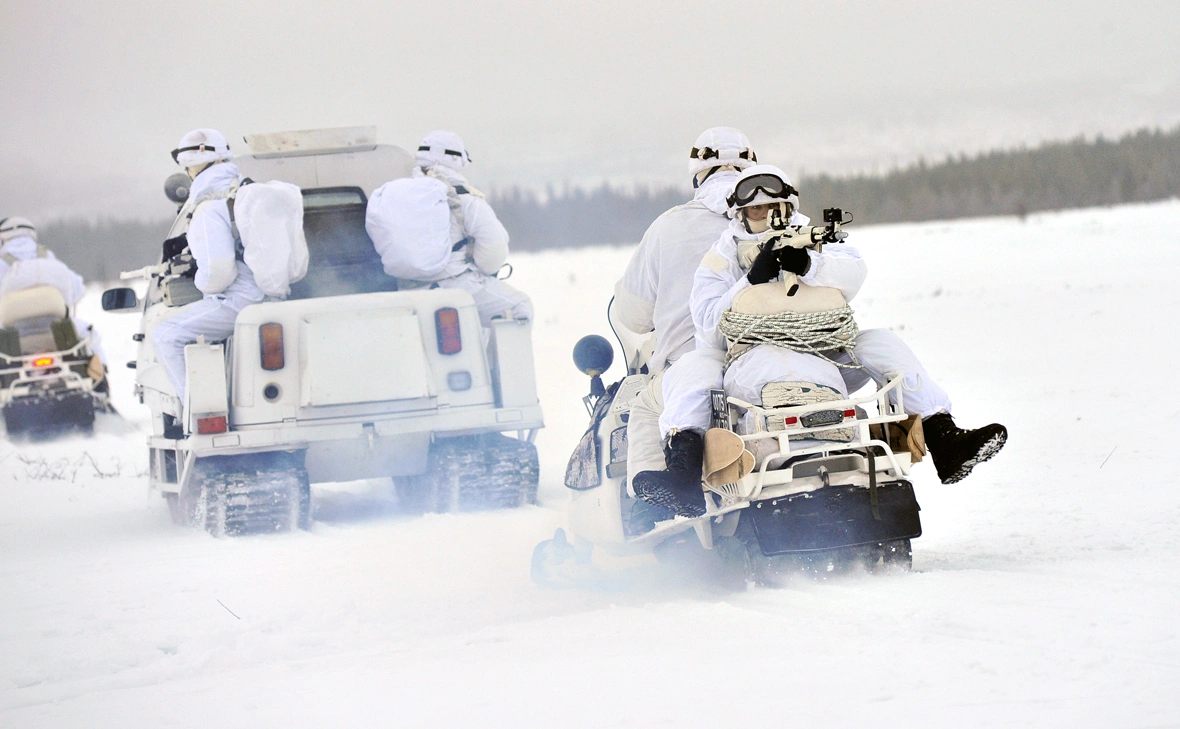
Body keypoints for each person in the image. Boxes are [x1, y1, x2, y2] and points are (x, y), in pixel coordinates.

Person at [687, 165, 1006, 504]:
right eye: (756, 209)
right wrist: (751, 280)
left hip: (824, 355)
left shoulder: (809, 237)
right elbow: (709, 328)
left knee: (882, 342)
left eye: (774, 208)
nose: (766, 215)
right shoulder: (720, 260)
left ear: (789, 208)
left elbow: (854, 271)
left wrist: (810, 265)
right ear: (741, 214)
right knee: (764, 361)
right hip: (754, 364)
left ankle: (943, 436)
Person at [613, 127, 757, 519]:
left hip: (698, 361)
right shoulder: (778, 219)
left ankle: (659, 501)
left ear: (698, 172)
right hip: (768, 354)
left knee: (645, 406)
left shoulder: (668, 227)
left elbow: (633, 316)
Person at [150, 128, 264, 409]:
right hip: (269, 293)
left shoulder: (208, 207)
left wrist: (200, 283)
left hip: (240, 302)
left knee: (165, 335)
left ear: (192, 165)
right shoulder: (246, 192)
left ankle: (199, 412)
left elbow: (218, 273)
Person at [410, 130, 531, 325]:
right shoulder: (465, 200)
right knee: (519, 308)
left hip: (406, 291)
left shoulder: (398, 197)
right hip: (456, 285)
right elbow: (494, 251)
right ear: (456, 159)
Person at [0, 216, 107, 369]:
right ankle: (98, 375)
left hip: (12, 338)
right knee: (90, 336)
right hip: (58, 332)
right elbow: (77, 288)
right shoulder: (48, 257)